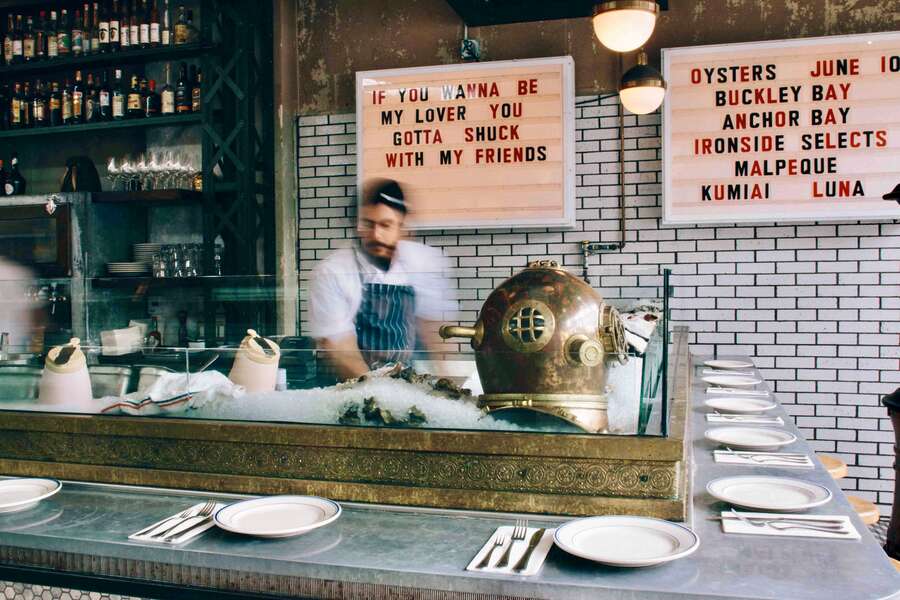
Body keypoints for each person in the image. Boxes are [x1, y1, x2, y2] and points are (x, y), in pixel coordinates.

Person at [307, 179, 453, 380]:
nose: (376, 234)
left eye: (386, 225)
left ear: (402, 227)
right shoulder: (332, 272)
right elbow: (340, 349)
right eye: (368, 224)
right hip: (347, 388)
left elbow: (432, 330)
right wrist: (381, 396)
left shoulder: (422, 263)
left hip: (403, 385)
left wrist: (444, 380)